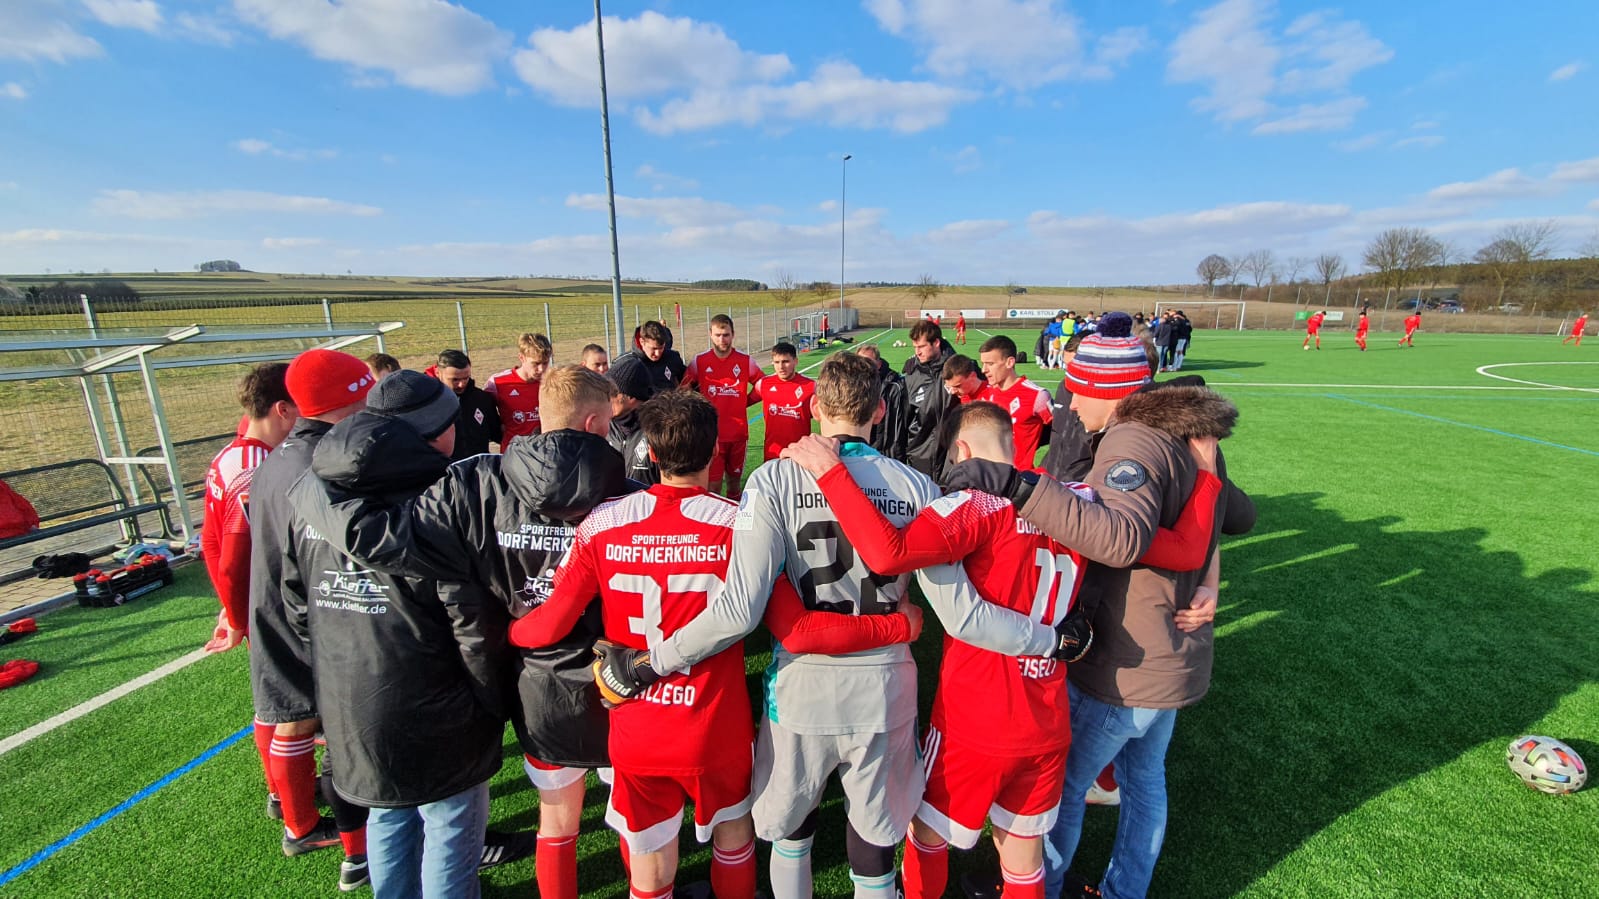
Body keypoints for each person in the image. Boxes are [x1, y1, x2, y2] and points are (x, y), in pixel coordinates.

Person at [606, 353, 1070, 899]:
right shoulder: (916, 485)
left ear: (812, 405)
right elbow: (954, 611)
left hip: (801, 686)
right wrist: (1049, 638)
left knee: (790, 832)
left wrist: (649, 663)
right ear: (879, 409)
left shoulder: (773, 478)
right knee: (874, 841)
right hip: (883, 689)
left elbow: (743, 607)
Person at [784, 400, 1223, 899]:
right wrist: (1208, 478)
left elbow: (887, 554)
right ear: (1013, 443)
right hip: (1046, 715)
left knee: (927, 834)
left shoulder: (976, 505)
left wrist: (830, 472)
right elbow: (1188, 548)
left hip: (976, 718)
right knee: (1022, 857)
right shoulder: (1078, 501)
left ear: (964, 451)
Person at [286, 366, 636, 899]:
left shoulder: (475, 481)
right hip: (617, 684)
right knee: (633, 817)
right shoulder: (631, 492)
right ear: (593, 421)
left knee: (555, 822)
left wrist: (314, 493)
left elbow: (376, 542)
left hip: (535, 687)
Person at [942, 313, 1256, 899]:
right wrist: (1209, 487)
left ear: (1101, 389)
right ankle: (1123, 890)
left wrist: (1021, 488)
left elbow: (1119, 538)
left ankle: (1044, 885)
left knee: (1057, 791)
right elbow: (1239, 516)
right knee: (1145, 783)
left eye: (1074, 390)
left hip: (1130, 661)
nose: (1069, 405)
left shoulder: (1131, 438)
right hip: (1176, 654)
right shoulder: (1186, 436)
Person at [508, 392, 765, 899]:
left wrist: (506, 633)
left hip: (635, 720)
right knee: (734, 835)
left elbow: (550, 624)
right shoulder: (741, 522)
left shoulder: (603, 521)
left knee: (649, 862)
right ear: (714, 450)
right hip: (716, 721)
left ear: (648, 453)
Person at [285, 371, 501, 899]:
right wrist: (491, 701)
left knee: (388, 814)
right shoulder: (442, 500)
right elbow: (470, 625)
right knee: (450, 823)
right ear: (436, 431)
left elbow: (297, 606)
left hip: (348, 697)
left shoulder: (311, 492)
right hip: (436, 701)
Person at [249, 350, 374, 885]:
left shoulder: (279, 457)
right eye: (364, 396)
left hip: (279, 605)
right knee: (335, 736)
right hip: (312, 618)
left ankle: (295, 817)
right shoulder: (320, 466)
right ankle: (355, 851)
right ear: (346, 401)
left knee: (295, 717)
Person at [683, 314, 764, 499]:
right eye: (718, 335)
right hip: (711, 436)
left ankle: (734, 522)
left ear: (733, 334)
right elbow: (684, 389)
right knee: (713, 486)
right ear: (710, 334)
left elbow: (762, 384)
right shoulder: (700, 361)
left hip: (737, 434)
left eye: (726, 335)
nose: (722, 339)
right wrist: (699, 410)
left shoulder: (745, 361)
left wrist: (746, 401)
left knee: (735, 483)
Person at [977, 335, 1053, 469]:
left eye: (990, 364)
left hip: (1017, 480)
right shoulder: (985, 393)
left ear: (1010, 362)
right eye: (983, 364)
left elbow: (1062, 433)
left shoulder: (1037, 396)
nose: (984, 370)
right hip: (985, 475)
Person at [903, 320, 957, 480]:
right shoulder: (911, 375)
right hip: (919, 456)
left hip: (951, 457)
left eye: (921, 347)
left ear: (936, 343)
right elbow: (905, 418)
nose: (917, 352)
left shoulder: (960, 369)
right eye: (915, 348)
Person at [430, 349, 501, 461]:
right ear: (438, 373)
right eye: (455, 380)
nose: (461, 384)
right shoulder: (427, 403)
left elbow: (497, 433)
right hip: (445, 473)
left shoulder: (482, 399)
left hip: (479, 470)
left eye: (466, 378)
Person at [1040, 333, 1093, 483]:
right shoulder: (1064, 387)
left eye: (1073, 368)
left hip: (1081, 488)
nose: (1068, 374)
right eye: (1066, 366)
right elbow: (1059, 433)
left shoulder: (1105, 400)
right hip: (1052, 481)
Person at [485, 332, 552, 446]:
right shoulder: (498, 383)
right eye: (536, 363)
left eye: (545, 363)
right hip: (514, 454)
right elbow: (484, 410)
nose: (541, 369)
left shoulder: (552, 382)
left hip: (543, 453)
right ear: (522, 358)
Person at [755, 341, 815, 461]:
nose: (781, 367)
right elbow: (742, 403)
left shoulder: (811, 386)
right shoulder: (763, 384)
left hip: (800, 452)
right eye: (777, 362)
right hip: (773, 452)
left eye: (785, 361)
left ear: (795, 361)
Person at [609, 354, 660, 485]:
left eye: (613, 394)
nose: (606, 399)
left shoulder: (658, 429)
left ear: (632, 397)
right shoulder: (603, 427)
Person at [855, 344, 907, 462]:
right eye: (860, 361)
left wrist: (896, 454)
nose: (863, 365)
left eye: (868, 361)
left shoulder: (895, 385)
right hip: (862, 451)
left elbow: (899, 424)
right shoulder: (854, 386)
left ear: (878, 364)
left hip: (888, 452)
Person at [633, 320, 688, 395]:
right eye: (653, 349)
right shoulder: (631, 365)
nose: (657, 353)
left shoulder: (672, 358)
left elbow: (687, 382)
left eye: (661, 348)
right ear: (642, 342)